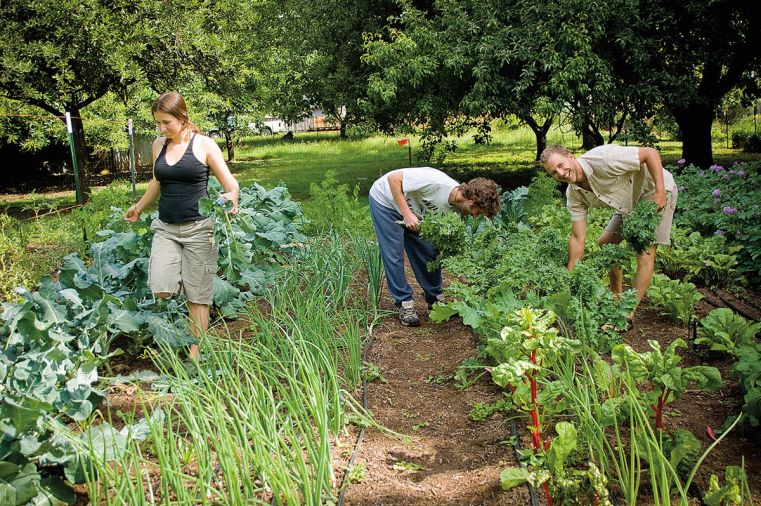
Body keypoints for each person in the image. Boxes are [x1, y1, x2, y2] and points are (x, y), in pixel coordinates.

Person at [125, 92, 240, 360]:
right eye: (158, 123)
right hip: (166, 227)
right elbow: (157, 181)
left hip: (199, 229)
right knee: (161, 286)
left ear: (182, 117)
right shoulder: (159, 145)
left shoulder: (205, 145)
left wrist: (231, 197)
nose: (161, 128)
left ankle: (195, 351)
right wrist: (139, 206)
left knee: (198, 295)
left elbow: (230, 184)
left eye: (166, 122)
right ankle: (181, 318)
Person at [540, 144, 677, 323]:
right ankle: (616, 297)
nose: (560, 173)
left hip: (653, 191)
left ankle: (625, 315)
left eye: (560, 165)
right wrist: (569, 277)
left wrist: (660, 193)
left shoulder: (603, 159)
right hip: (628, 201)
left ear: (571, 157)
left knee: (644, 253)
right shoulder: (574, 194)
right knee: (606, 243)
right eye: (554, 173)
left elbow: (650, 153)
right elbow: (577, 238)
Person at [369, 167, 501, 326]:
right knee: (394, 254)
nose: (474, 217)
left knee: (429, 251)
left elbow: (448, 248)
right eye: (477, 212)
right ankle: (405, 304)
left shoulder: (455, 214)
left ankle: (435, 299)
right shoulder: (435, 182)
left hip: (416, 212)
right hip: (387, 200)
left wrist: (465, 277)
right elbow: (394, 179)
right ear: (471, 201)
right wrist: (406, 213)